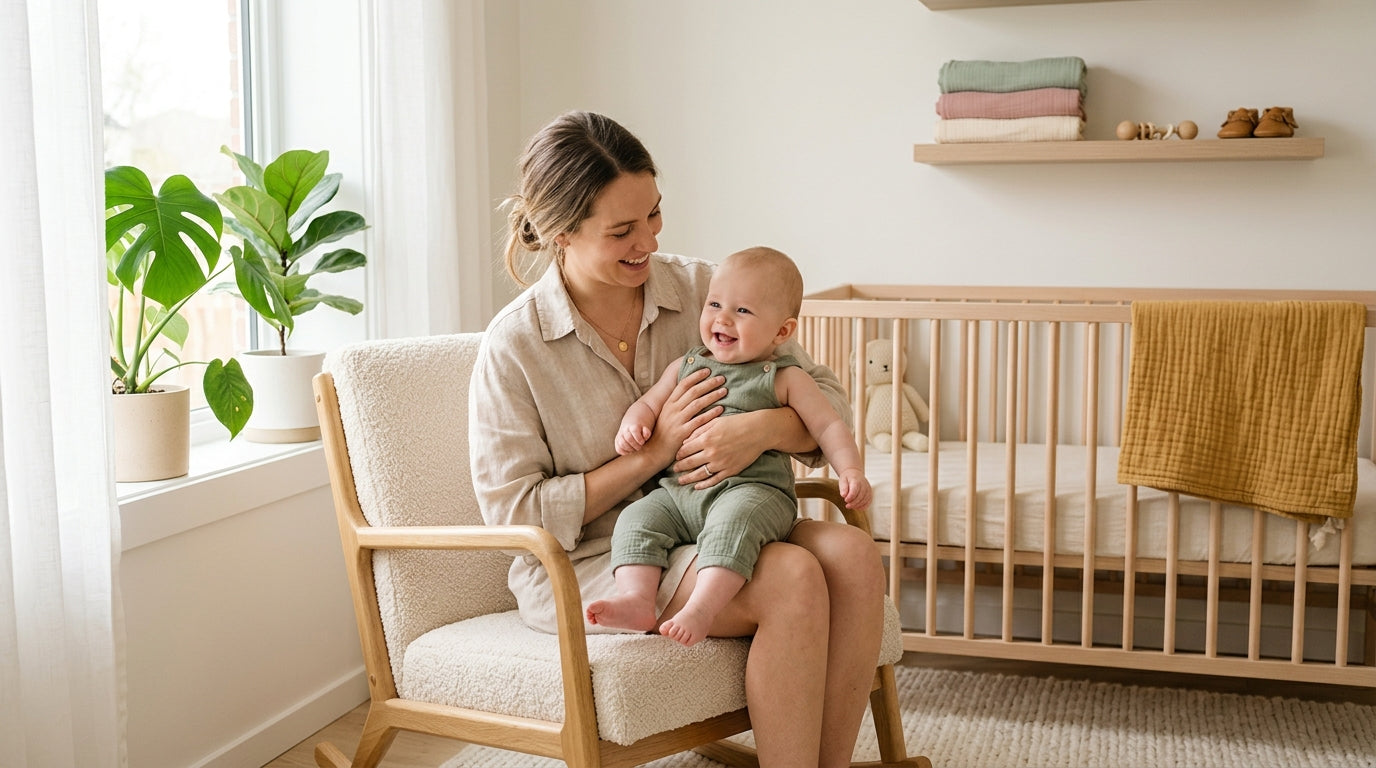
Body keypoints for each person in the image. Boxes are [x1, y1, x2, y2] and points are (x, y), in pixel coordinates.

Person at [470, 110, 886, 767]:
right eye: (623, 231)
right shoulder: (516, 345)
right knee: (791, 577)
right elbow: (515, 512)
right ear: (559, 232)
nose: (649, 242)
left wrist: (760, 430)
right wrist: (657, 452)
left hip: (728, 510)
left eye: (654, 215)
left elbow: (823, 396)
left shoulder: (703, 290)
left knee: (856, 557)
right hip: (602, 557)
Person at [587, 246, 873, 647]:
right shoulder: (688, 363)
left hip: (752, 493)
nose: (722, 318)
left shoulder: (785, 377)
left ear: (782, 332)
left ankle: (702, 607)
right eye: (715, 304)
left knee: (734, 524)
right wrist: (634, 424)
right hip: (680, 493)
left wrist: (850, 471)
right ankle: (636, 598)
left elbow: (829, 426)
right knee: (636, 517)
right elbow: (650, 402)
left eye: (742, 311)